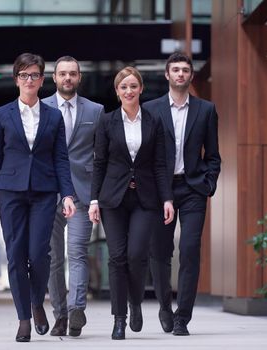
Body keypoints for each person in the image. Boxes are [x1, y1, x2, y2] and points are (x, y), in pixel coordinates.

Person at [0, 53, 77, 343]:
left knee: (39, 255)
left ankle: (37, 300)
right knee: (15, 257)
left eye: (34, 75)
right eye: (24, 75)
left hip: (44, 192)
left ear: (41, 79)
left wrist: (68, 194)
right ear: (16, 79)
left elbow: (61, 158)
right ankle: (24, 317)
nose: (29, 80)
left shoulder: (53, 116)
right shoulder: (2, 114)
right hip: (9, 191)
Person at [88, 66, 174, 340]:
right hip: (113, 198)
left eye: (133, 86)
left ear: (140, 89)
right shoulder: (107, 122)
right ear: (117, 91)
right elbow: (99, 163)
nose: (128, 91)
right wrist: (93, 199)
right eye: (123, 86)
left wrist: (167, 198)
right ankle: (119, 318)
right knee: (116, 257)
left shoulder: (154, 121)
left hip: (145, 199)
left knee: (136, 255)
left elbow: (160, 164)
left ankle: (135, 301)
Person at [144, 52, 221, 336]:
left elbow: (213, 155)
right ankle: (165, 306)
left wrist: (208, 184)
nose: (180, 74)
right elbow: (143, 154)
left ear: (191, 75)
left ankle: (182, 317)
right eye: (175, 69)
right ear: (167, 75)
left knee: (189, 250)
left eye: (185, 70)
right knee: (160, 252)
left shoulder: (206, 110)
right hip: (159, 190)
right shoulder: (150, 109)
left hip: (192, 190)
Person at [42, 56, 104, 337]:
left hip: (82, 192)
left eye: (73, 74)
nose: (67, 78)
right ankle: (60, 316)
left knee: (77, 252)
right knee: (53, 258)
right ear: (54, 78)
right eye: (62, 74)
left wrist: (97, 197)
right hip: (48, 194)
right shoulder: (39, 108)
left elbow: (102, 156)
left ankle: (77, 308)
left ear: (79, 78)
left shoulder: (96, 110)